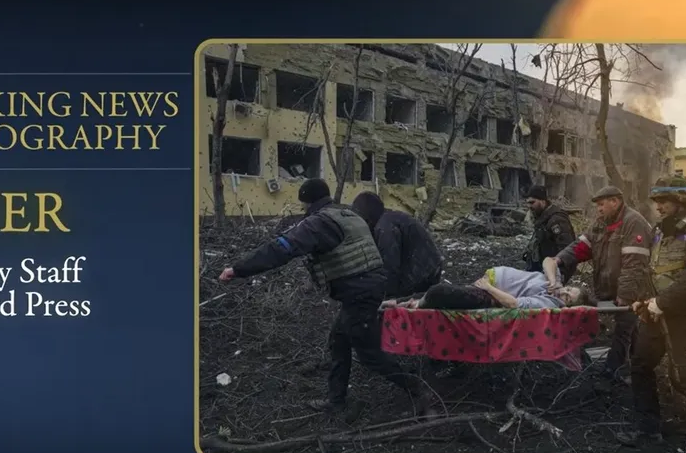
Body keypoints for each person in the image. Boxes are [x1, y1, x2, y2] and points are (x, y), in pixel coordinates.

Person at [218, 178, 432, 415]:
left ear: (308, 203)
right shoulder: (346, 214)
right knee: (338, 341)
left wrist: (239, 269)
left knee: (369, 354)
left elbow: (282, 249)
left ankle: (419, 390)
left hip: (359, 292)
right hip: (365, 289)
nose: (303, 211)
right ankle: (336, 401)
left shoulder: (320, 223)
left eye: (303, 206)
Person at [548, 185, 653, 383]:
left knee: (623, 329)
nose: (599, 209)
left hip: (632, 288)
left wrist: (626, 296)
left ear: (616, 201)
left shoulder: (633, 222)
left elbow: (634, 265)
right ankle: (640, 366)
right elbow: (581, 246)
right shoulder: (601, 223)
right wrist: (559, 259)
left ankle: (613, 371)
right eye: (597, 206)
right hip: (610, 286)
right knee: (631, 330)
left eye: (602, 204)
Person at [616, 175, 686, 447]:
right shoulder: (659, 232)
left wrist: (662, 302)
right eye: (657, 201)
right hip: (656, 315)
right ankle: (648, 430)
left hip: (685, 318)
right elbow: (653, 271)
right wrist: (643, 300)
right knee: (641, 365)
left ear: (681, 201)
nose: (658, 207)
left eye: (664, 201)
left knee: (685, 378)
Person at [390, 257, 592, 310]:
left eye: (567, 298)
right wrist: (553, 280)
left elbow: (513, 304)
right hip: (490, 280)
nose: (563, 293)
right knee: (442, 292)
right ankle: (394, 303)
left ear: (566, 306)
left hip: (491, 293)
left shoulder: (548, 304)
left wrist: (488, 288)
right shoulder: (554, 285)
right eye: (567, 289)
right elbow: (549, 260)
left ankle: (408, 305)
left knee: (439, 292)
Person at [351, 191, 444, 300]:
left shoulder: (384, 228)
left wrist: (386, 297)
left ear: (367, 219)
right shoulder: (388, 218)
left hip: (421, 273)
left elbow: (390, 267)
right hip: (428, 267)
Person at [522, 185, 577, 278]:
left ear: (543, 201)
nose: (529, 206)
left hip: (553, 271)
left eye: (532, 202)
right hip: (542, 269)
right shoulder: (542, 217)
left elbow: (567, 249)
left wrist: (559, 274)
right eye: (528, 203)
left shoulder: (556, 219)